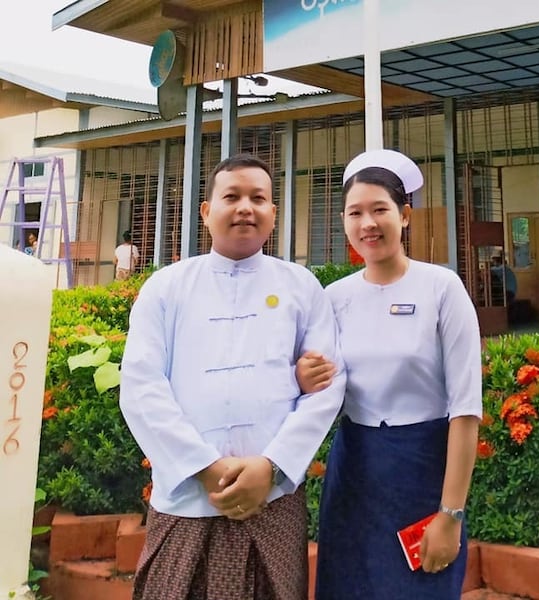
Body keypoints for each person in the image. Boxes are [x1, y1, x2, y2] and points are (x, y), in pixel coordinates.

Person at [119, 153, 345, 600]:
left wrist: (271, 466)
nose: (246, 207)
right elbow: (141, 387)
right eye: (232, 196)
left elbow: (326, 385)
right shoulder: (166, 288)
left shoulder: (301, 287)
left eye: (258, 198)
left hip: (272, 496)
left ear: (273, 214)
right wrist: (203, 468)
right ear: (206, 211)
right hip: (187, 498)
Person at [297, 149, 482, 599]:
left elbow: (465, 410)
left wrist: (450, 515)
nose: (368, 224)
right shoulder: (334, 297)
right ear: (343, 222)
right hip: (355, 469)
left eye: (380, 209)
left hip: (422, 469)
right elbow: (320, 390)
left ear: (405, 216)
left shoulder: (442, 288)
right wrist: (304, 378)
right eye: (355, 212)